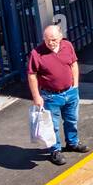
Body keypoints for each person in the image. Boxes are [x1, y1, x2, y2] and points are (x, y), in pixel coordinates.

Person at [27, 24, 84, 166]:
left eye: (53, 39)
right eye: (47, 40)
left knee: (72, 119)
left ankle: (73, 142)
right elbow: (32, 75)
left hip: (70, 92)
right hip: (51, 96)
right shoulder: (37, 53)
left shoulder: (67, 46)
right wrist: (36, 97)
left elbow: (73, 64)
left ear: (60, 36)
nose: (51, 43)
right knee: (53, 126)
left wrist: (75, 84)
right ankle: (55, 150)